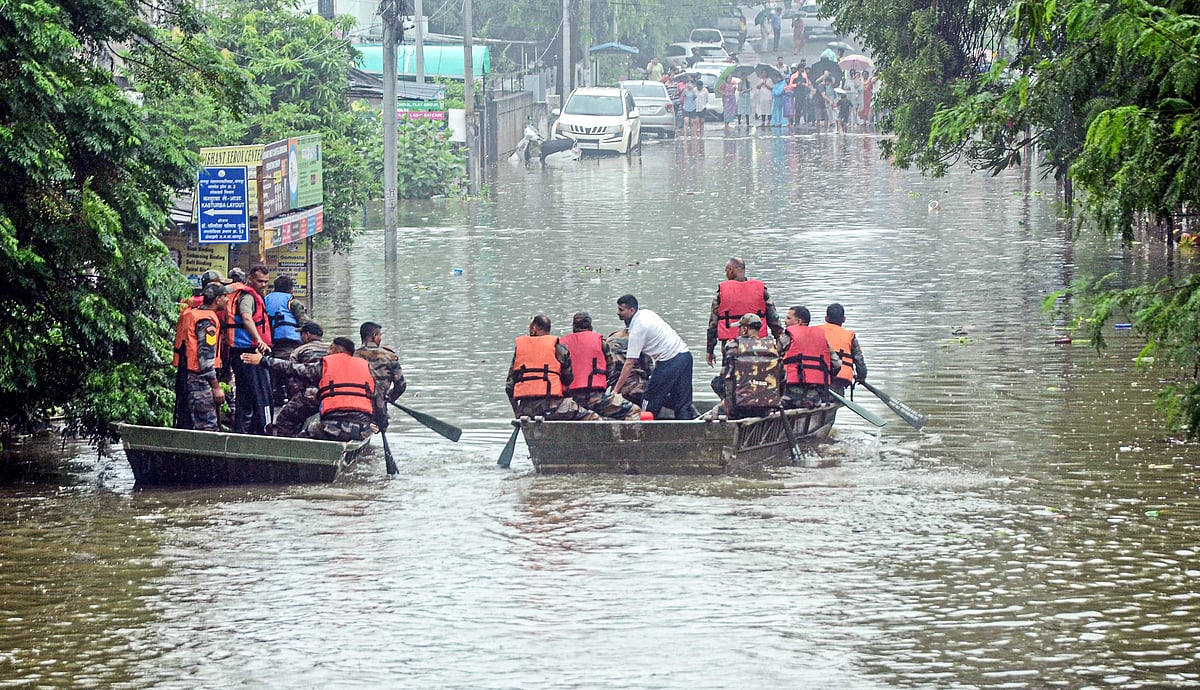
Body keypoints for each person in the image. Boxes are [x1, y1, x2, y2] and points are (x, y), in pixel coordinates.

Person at [241, 337, 376, 442]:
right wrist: (378, 423)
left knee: (285, 420)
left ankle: (287, 450)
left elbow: (292, 368)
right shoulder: (366, 368)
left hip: (331, 427)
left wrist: (264, 360)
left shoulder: (325, 366)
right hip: (362, 427)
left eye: (331, 348)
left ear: (339, 352)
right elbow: (377, 399)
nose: (328, 352)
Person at [612, 294, 699, 420]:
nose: (618, 313)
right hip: (685, 355)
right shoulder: (646, 313)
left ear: (632, 310)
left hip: (670, 361)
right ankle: (685, 426)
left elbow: (629, 363)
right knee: (682, 402)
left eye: (621, 310)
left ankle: (645, 427)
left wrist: (616, 391)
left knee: (649, 399)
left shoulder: (637, 329)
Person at [506, 315, 600, 421]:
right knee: (592, 417)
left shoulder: (520, 350)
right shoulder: (558, 348)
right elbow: (568, 379)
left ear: (534, 328)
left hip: (526, 410)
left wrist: (518, 412)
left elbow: (509, 387)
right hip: (553, 406)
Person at [560, 312, 641, 420]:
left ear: (573, 327)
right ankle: (617, 430)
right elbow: (610, 369)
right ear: (591, 326)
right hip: (595, 397)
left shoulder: (561, 344)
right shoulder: (601, 343)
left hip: (570, 399)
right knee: (634, 411)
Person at [172, 282, 230, 431]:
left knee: (186, 424)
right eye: (225, 296)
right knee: (208, 427)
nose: (227, 299)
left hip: (185, 376)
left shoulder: (193, 314)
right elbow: (205, 360)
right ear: (217, 299)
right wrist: (216, 387)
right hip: (198, 380)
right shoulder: (206, 323)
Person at [706, 256, 782, 367]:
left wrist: (710, 350)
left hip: (731, 343)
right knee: (758, 371)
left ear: (731, 270)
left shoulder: (721, 292)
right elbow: (774, 319)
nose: (726, 273)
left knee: (731, 372)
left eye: (726, 270)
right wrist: (780, 341)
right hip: (759, 342)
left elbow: (713, 323)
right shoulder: (761, 289)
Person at [227, 264, 273, 435]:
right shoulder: (248, 297)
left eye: (266, 282)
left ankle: (244, 431)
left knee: (246, 394)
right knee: (262, 395)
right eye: (260, 281)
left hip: (243, 351)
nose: (263, 285)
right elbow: (246, 318)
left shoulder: (254, 296)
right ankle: (264, 431)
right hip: (249, 351)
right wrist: (259, 340)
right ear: (250, 279)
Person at [715, 313, 783, 418]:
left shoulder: (733, 346)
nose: (738, 330)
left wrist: (728, 403)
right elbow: (782, 379)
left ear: (745, 329)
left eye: (739, 328)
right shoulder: (772, 348)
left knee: (716, 382)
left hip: (739, 407)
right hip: (766, 407)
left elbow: (727, 377)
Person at [271, 321, 328, 437]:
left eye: (301, 334)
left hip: (310, 396)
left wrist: (293, 399)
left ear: (307, 335)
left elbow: (293, 378)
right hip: (329, 395)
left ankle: (287, 444)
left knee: (283, 420)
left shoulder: (299, 351)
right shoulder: (331, 349)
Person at [779, 306, 840, 408]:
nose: (785, 321)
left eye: (788, 318)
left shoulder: (787, 337)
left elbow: (773, 359)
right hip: (814, 397)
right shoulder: (822, 338)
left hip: (790, 396)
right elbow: (837, 364)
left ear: (799, 322)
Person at [355, 321, 407, 433]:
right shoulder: (390, 356)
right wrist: (387, 398)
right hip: (380, 411)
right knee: (380, 425)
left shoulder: (353, 356)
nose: (380, 339)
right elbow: (401, 385)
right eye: (380, 335)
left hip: (357, 409)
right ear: (374, 336)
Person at [264, 275, 306, 406]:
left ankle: (276, 397)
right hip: (288, 342)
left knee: (273, 370)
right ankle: (291, 399)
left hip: (267, 342)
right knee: (290, 370)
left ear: (274, 288)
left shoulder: (265, 299)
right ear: (291, 289)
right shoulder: (292, 302)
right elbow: (304, 322)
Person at [815, 303, 868, 396]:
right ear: (844, 319)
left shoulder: (815, 331)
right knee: (835, 400)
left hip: (815, 377)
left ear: (826, 318)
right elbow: (859, 359)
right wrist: (861, 376)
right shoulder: (849, 336)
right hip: (838, 379)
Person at [605, 327, 653, 406]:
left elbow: (606, 368)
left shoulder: (608, 342)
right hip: (637, 387)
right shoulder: (638, 341)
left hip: (616, 389)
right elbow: (649, 368)